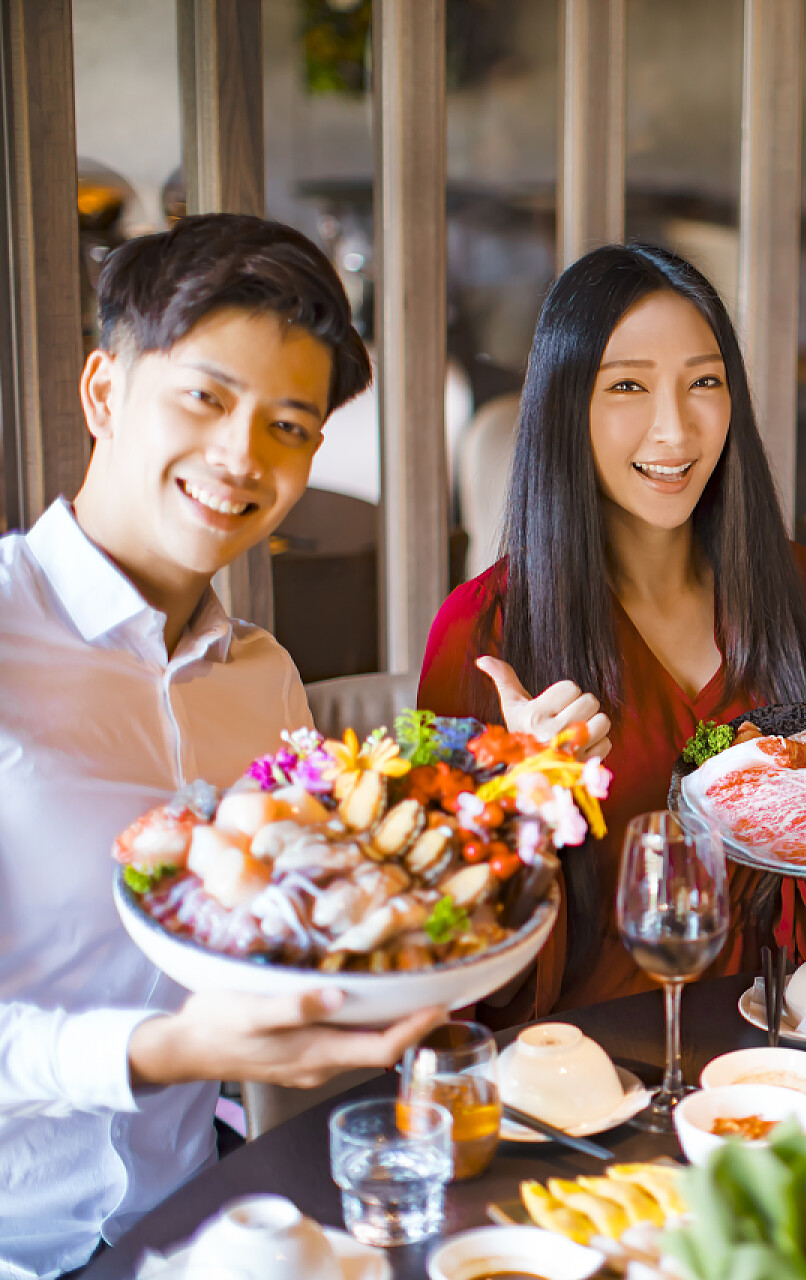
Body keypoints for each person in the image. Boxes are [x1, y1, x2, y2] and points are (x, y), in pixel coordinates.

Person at [0, 213, 443, 1278]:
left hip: (203, 1223)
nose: (242, 455)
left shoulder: (267, 680)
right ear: (105, 390)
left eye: (289, 425)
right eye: (205, 397)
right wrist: (161, 1054)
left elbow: (281, 935)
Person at [417, 243, 806, 1022]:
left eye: (703, 382)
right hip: (576, 1082)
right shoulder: (487, 630)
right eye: (628, 387)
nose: (674, 429)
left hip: (771, 1066)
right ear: (566, 405)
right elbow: (440, 962)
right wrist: (523, 806)